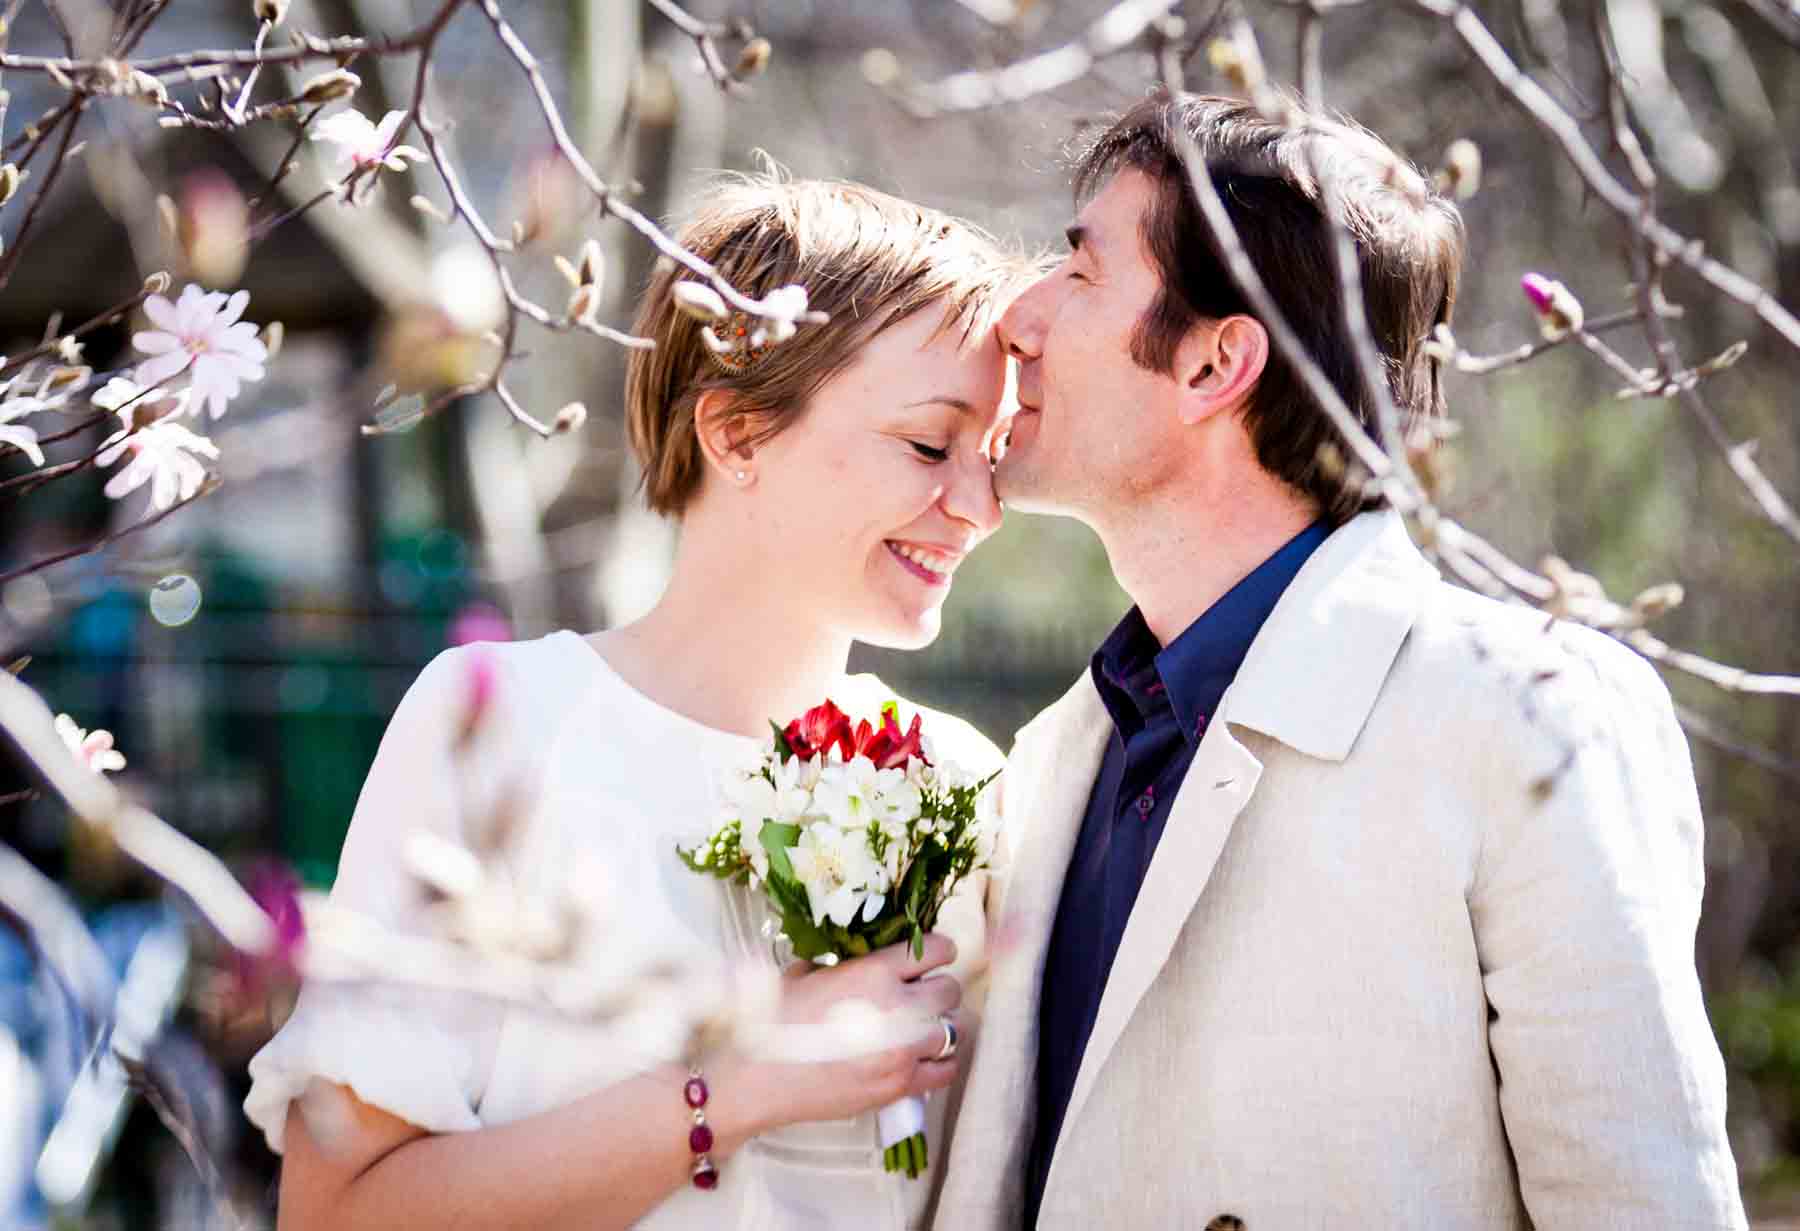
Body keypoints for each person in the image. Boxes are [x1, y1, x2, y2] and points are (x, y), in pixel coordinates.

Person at [935, 93, 1746, 1228]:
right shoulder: (1053, 755)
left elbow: (1640, 1200)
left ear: (1217, 364)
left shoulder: (1528, 715)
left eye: (1078, 273)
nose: (1016, 314)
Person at [245, 173, 1027, 1230]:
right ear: (738, 432)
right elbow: (336, 1211)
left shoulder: (971, 784)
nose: (978, 509)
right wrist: (738, 1086)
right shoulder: (502, 720)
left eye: (992, 458)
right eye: (932, 445)